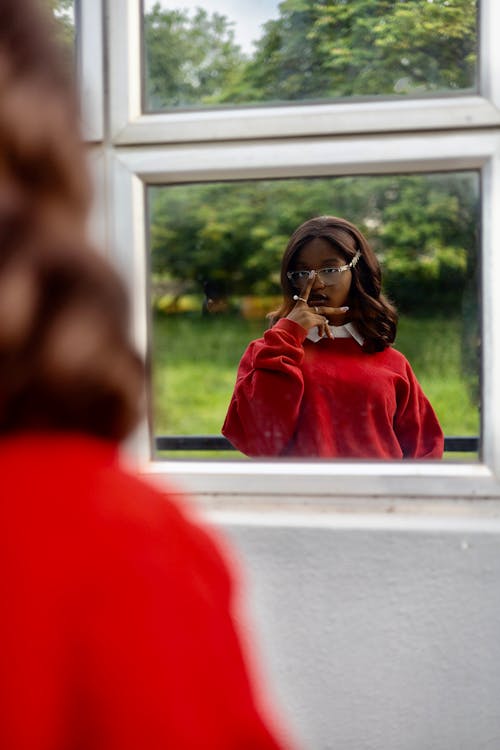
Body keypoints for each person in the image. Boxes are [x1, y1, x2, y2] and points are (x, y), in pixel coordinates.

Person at [0, 1, 293, 748]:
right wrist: (275, 358)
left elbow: (414, 439)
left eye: (338, 273)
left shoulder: (388, 362)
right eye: (309, 275)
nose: (324, 287)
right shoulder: (108, 539)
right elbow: (248, 431)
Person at [222, 215, 444, 459]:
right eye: (301, 272)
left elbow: (425, 451)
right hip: (298, 496)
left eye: (329, 270)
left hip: (378, 495)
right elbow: (259, 442)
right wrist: (287, 334)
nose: (315, 284)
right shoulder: (269, 352)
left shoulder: (391, 361)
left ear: (357, 272)